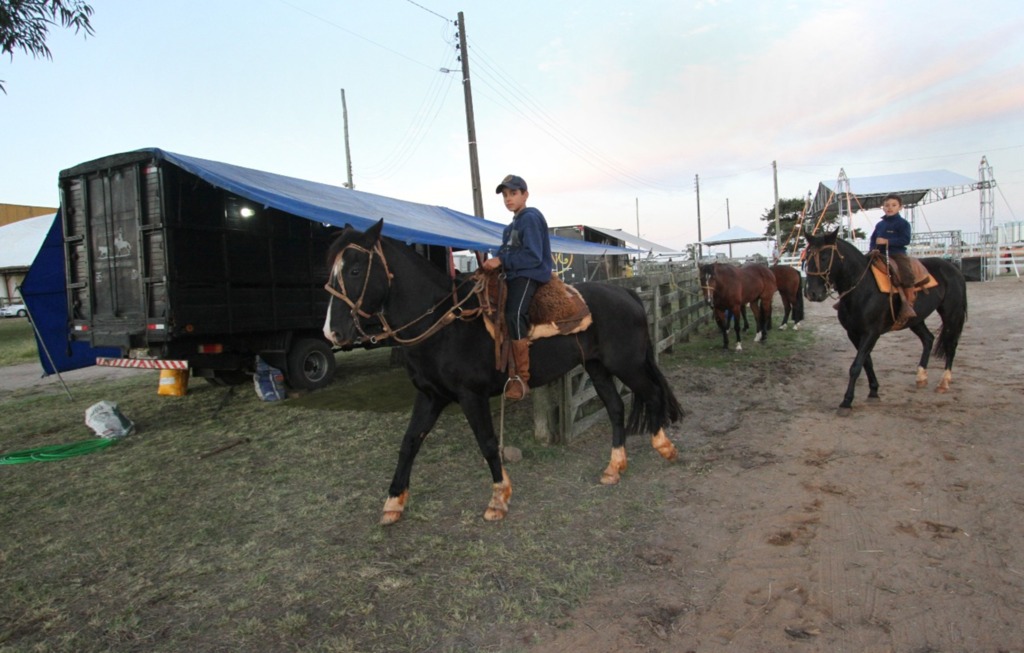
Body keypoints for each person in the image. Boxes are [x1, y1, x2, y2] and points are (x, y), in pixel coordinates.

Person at [481, 174, 552, 400]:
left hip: (531, 273)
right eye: (505, 195)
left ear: (525, 195)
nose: (508, 198)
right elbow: (504, 252)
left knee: (513, 313)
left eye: (513, 193)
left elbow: (533, 255)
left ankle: (522, 377)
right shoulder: (509, 227)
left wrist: (501, 261)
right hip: (513, 274)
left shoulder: (530, 217)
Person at [870, 193, 916, 323]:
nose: (890, 208)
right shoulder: (880, 225)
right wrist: (873, 248)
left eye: (894, 205)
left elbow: (905, 240)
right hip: (878, 253)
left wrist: (887, 241)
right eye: (887, 205)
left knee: (906, 274)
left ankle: (908, 305)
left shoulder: (903, 224)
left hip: (897, 254)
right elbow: (873, 239)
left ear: (900, 207)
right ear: (883, 207)